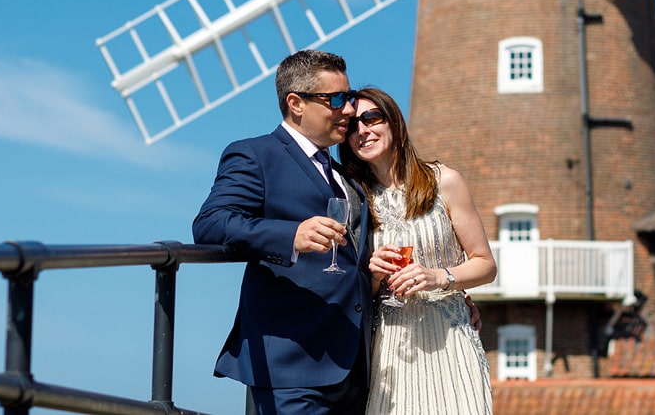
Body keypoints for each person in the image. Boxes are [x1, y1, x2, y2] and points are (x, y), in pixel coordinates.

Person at [193, 49, 372, 415]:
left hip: (355, 366)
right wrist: (290, 236)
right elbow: (210, 223)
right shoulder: (255, 155)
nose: (350, 110)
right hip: (291, 364)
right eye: (336, 99)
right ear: (296, 103)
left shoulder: (343, 173)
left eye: (349, 98)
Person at [339, 87, 496, 415]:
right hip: (392, 348)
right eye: (352, 126)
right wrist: (374, 275)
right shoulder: (356, 200)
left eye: (371, 118)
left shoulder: (444, 182)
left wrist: (439, 277)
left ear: (393, 121)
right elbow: (352, 285)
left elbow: (485, 264)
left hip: (450, 341)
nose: (363, 130)